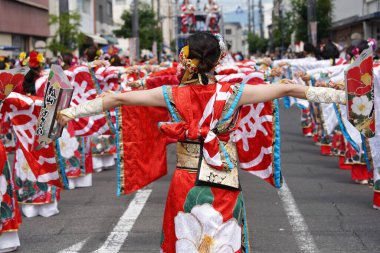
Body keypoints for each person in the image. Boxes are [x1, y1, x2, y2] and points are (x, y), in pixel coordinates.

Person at [58, 32, 345, 252]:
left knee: (186, 238)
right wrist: (344, 97)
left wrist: (69, 112)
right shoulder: (234, 93)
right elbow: (289, 88)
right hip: (223, 176)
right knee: (223, 239)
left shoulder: (170, 94)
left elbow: (117, 98)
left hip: (186, 177)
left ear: (186, 59)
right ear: (219, 60)